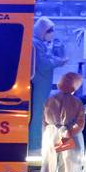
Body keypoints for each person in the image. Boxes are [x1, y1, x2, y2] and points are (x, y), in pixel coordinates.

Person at [34, 72, 86, 172]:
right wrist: (69, 132)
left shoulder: (50, 99)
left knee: (48, 168)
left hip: (50, 135)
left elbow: (44, 121)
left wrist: (49, 134)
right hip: (67, 135)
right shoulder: (77, 102)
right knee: (65, 169)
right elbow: (80, 123)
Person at [30, 17, 67, 151]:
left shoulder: (39, 43)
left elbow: (47, 58)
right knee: (38, 114)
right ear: (42, 31)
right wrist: (59, 62)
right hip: (39, 86)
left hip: (41, 86)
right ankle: (35, 145)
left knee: (41, 113)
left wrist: (57, 59)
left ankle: (36, 143)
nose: (52, 33)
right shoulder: (35, 44)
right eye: (50, 31)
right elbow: (44, 64)